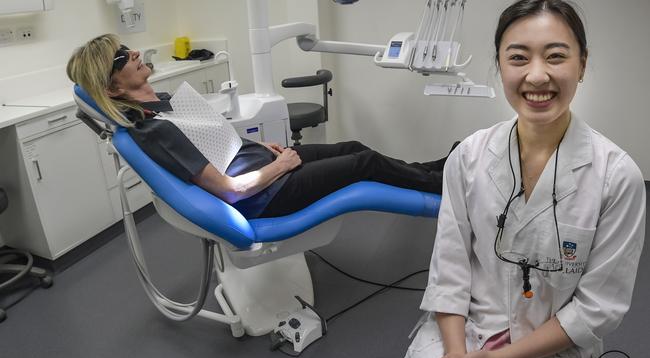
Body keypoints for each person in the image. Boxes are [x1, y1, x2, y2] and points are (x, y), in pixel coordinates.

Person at [402, 1, 645, 358]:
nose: (536, 76)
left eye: (555, 57)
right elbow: (449, 272)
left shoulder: (616, 177)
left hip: (557, 346)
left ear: (582, 64)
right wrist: (455, 354)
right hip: (467, 331)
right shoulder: (468, 158)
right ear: (500, 65)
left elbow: (598, 307)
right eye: (518, 58)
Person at [67, 34, 451, 219]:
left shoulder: (163, 103)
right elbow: (231, 191)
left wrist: (262, 149)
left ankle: (434, 169)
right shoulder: (153, 130)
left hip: (261, 168)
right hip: (265, 195)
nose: (134, 52)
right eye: (122, 57)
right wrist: (280, 166)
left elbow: (216, 145)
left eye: (127, 47)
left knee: (351, 146)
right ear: (113, 86)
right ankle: (441, 184)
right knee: (362, 165)